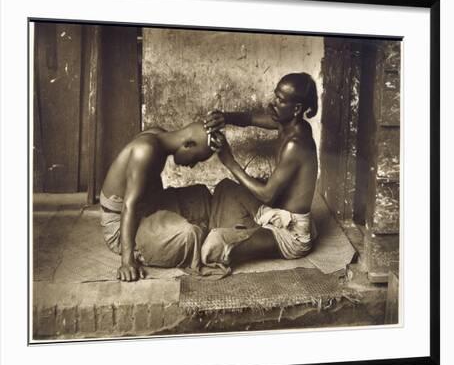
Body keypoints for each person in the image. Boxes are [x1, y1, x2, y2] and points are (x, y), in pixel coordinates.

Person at [201, 72, 319, 266]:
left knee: (216, 244)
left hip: (291, 234)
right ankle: (247, 230)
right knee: (226, 188)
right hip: (276, 211)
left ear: (296, 108)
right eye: (275, 95)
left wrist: (230, 162)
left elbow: (266, 196)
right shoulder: (286, 123)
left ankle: (239, 234)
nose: (272, 103)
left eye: (280, 100)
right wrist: (224, 117)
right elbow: (249, 118)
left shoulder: (296, 144)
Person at [99, 121, 222, 282]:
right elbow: (129, 206)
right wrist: (127, 261)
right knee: (189, 235)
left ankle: (196, 231)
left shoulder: (158, 135)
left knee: (201, 194)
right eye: (196, 158)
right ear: (188, 145)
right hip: (121, 225)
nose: (192, 165)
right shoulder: (145, 150)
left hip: (148, 207)